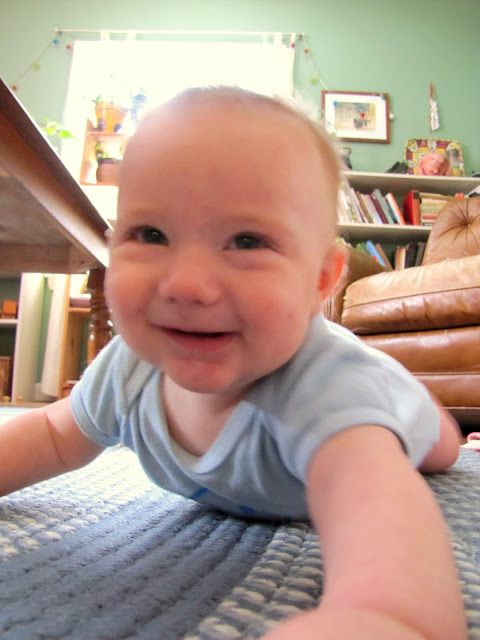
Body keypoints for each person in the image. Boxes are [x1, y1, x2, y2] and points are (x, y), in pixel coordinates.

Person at [0, 87, 466, 639]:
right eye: (151, 234)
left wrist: (390, 615)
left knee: (437, 450)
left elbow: (376, 500)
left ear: (321, 279)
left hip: (383, 392)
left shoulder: (327, 390)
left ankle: (426, 407)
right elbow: (54, 435)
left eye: (246, 241)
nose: (187, 284)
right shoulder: (128, 368)